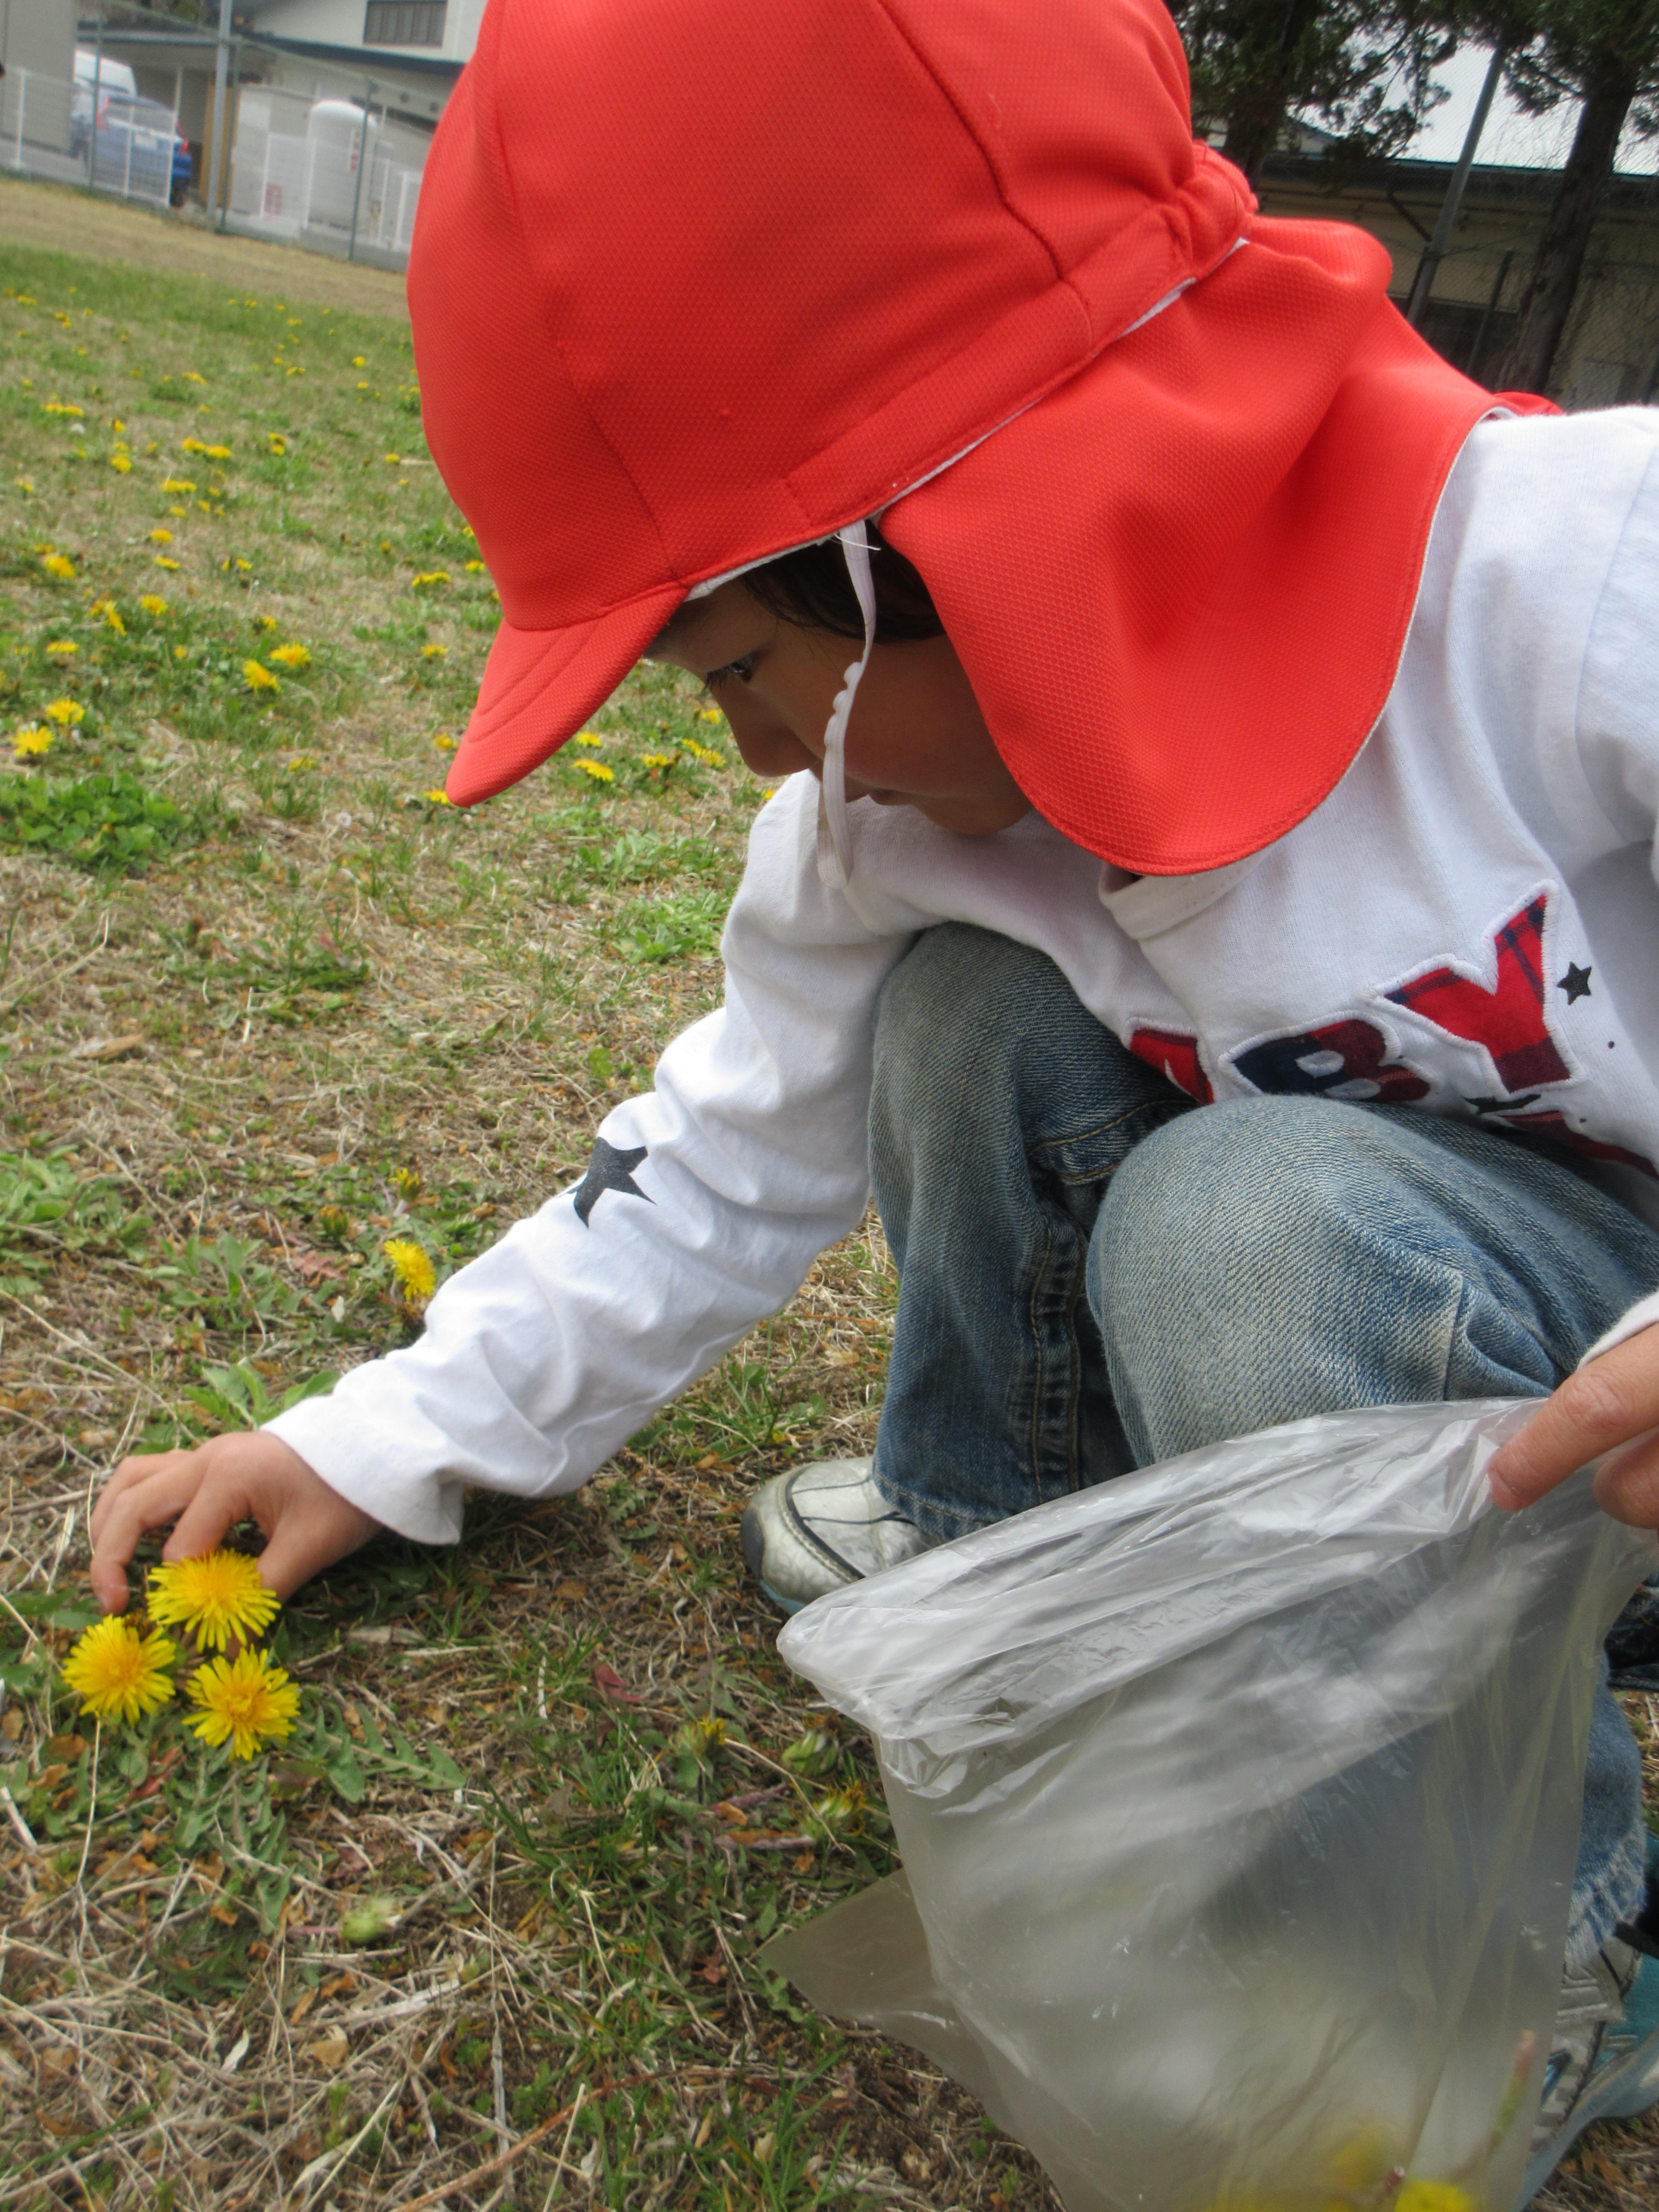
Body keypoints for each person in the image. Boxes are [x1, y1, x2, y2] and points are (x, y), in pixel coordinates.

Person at [87, 0, 1659, 2191]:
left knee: (1254, 1219)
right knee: (961, 1020)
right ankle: (1020, 1588)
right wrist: (375, 1439)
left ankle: (1531, 1940)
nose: (748, 750)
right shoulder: (895, 821)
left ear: (938, 539)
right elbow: (716, 1160)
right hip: (1338, 1417)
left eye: (739, 671)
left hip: (1612, 1448)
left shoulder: (1579, 581)